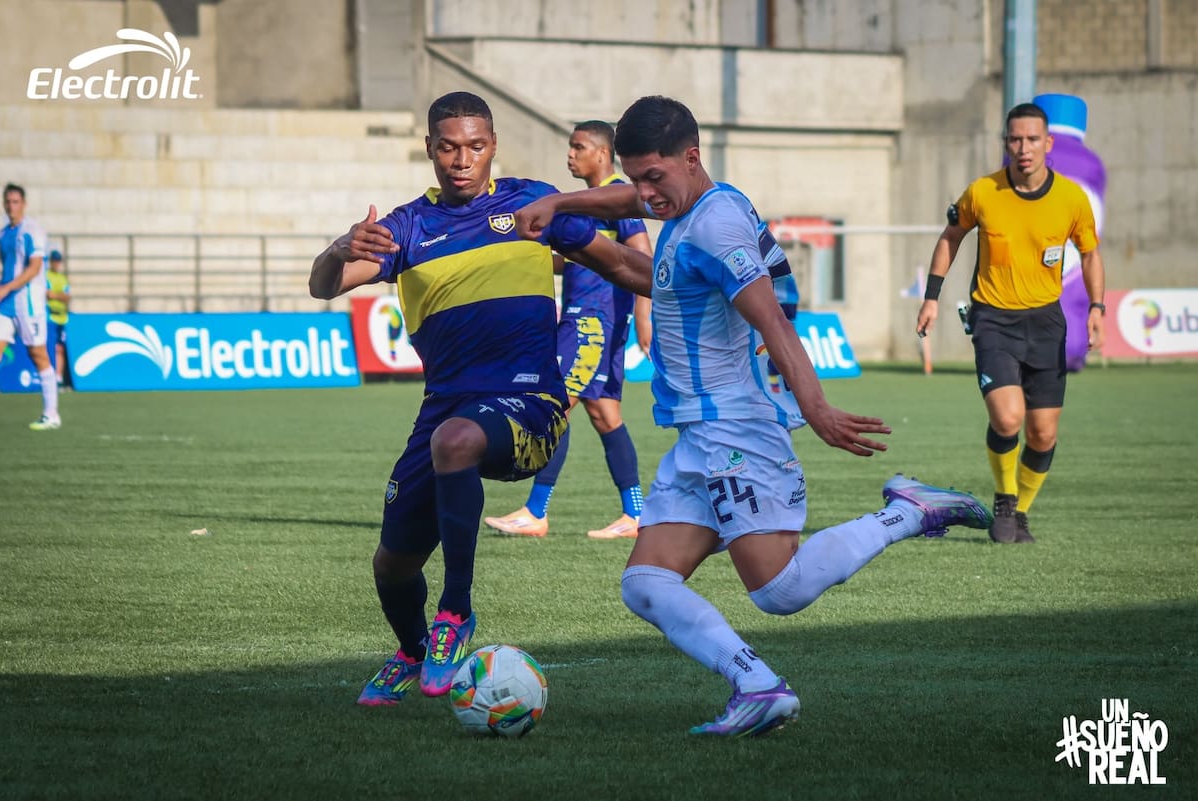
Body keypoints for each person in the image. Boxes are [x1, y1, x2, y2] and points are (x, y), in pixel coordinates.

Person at [514, 95, 994, 737]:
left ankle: (905, 511)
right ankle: (758, 686)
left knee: (779, 591)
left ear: (692, 157)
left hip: (736, 431)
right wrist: (566, 206)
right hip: (697, 438)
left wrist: (818, 409)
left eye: (655, 177)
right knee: (647, 583)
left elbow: (770, 319)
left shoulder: (715, 228)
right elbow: (632, 215)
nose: (645, 193)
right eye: (636, 178)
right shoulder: (702, 202)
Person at [308, 92, 650, 706]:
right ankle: (412, 651)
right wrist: (339, 249)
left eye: (474, 146)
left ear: (493, 146)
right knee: (391, 564)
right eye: (448, 147)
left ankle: (455, 613)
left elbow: (624, 263)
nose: (461, 160)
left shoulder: (529, 203)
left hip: (531, 405)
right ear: (431, 149)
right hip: (444, 407)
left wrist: (691, 287)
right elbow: (324, 287)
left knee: (457, 440)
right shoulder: (407, 226)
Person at [915, 102, 1105, 545]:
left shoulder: (1071, 199)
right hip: (994, 320)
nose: (1023, 148)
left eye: (1032, 140)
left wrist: (1098, 307)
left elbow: (1092, 253)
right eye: (1015, 139)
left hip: (1046, 323)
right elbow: (951, 237)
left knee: (1043, 433)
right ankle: (1004, 498)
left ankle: (1020, 513)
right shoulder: (983, 192)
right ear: (1006, 143)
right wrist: (931, 298)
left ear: (1048, 144)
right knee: (1008, 419)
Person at [484, 121, 653, 540]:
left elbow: (641, 252)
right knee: (605, 414)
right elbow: (580, 259)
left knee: (555, 407)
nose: (570, 155)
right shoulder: (588, 201)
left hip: (591, 322)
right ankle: (635, 514)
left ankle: (536, 511)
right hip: (592, 319)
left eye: (578, 147)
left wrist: (645, 317)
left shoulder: (613, 196)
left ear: (601, 153)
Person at [0, 183, 60, 430]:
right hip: (5, 305)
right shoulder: (3, 234)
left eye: (16, 201)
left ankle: (51, 414)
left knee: (39, 355)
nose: (11, 205)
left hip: (29, 304)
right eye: (8, 201)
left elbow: (34, 268)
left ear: (23, 204)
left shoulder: (33, 230)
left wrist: (6, 287)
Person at [45, 249, 71, 389]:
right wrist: (59, 295)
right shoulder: (46, 276)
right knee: (50, 348)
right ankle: (48, 377)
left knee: (60, 348)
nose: (56, 263)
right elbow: (47, 295)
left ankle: (58, 377)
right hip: (50, 317)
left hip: (61, 317)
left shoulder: (62, 278)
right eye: (54, 261)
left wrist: (55, 295)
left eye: (58, 261)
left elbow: (67, 297)